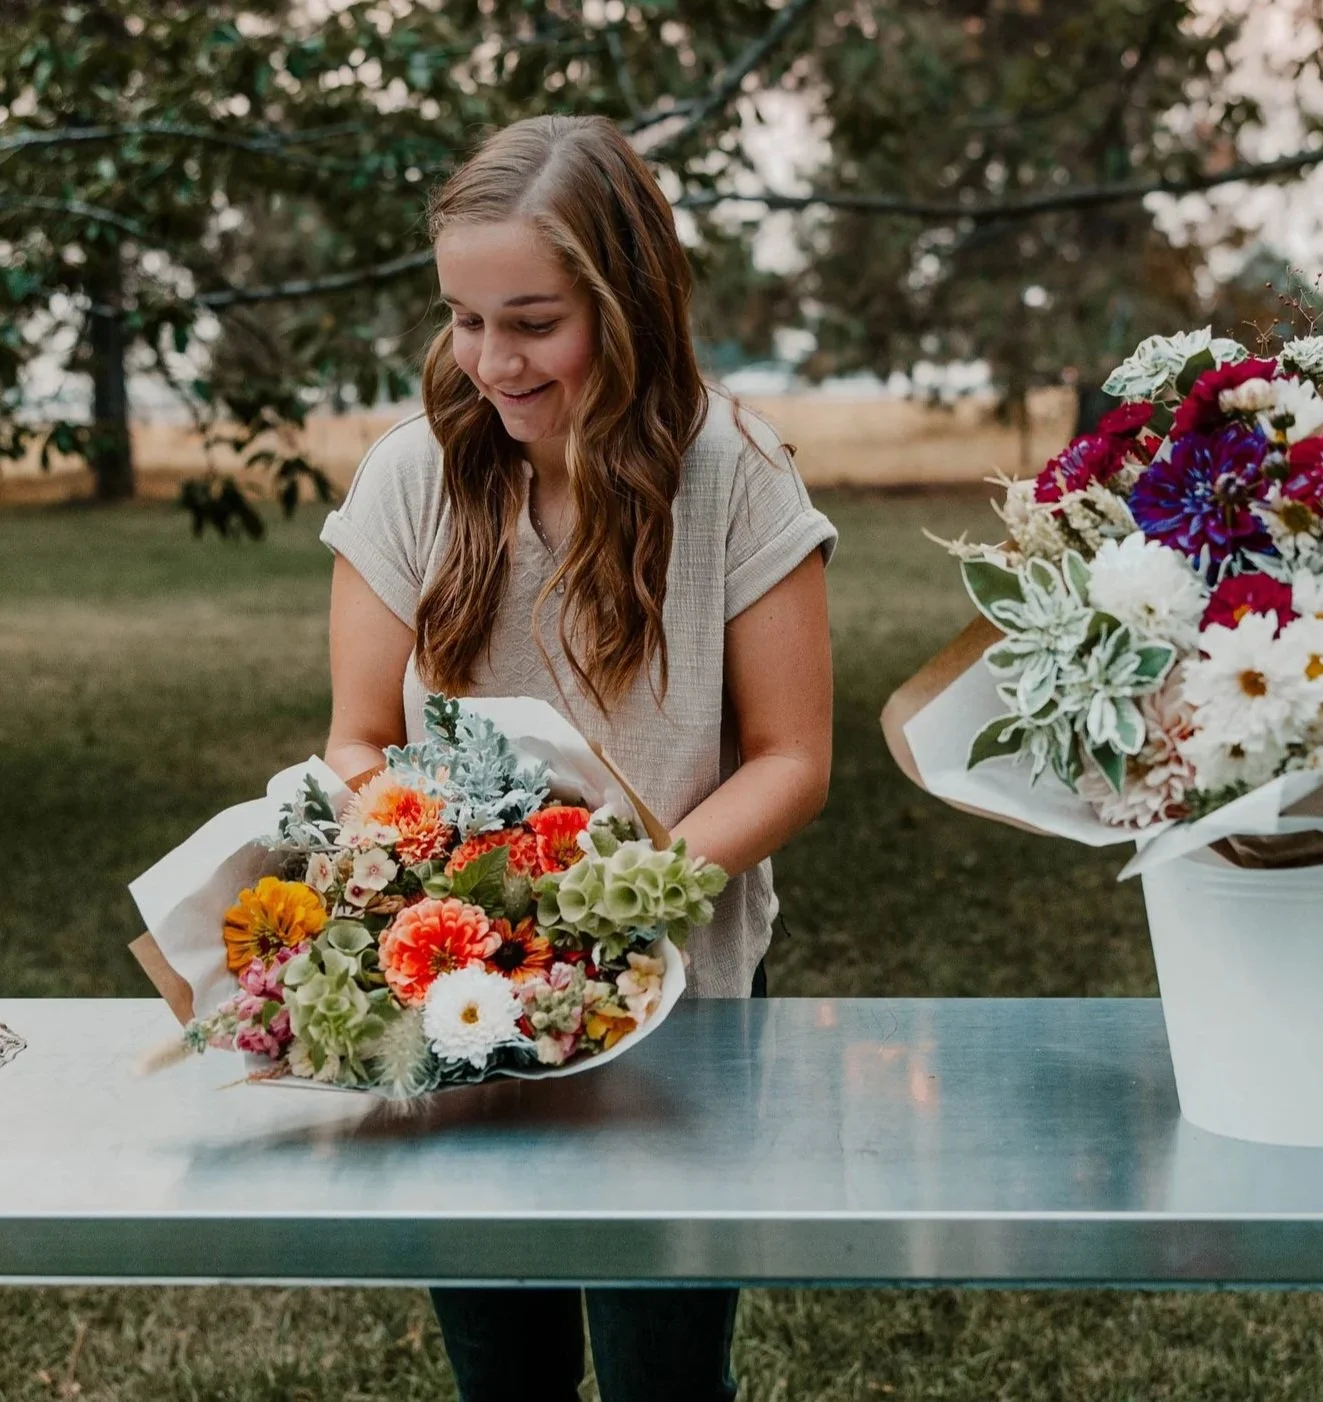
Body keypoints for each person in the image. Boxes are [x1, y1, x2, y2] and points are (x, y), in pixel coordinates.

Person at [318, 114, 836, 1402]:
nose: (490, 360)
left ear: (630, 300)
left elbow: (790, 759)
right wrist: (425, 876)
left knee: (666, 1373)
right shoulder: (412, 477)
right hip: (453, 1004)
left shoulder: (737, 477)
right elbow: (361, 736)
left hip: (683, 1004)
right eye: (463, 317)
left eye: (533, 320)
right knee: (507, 1374)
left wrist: (609, 904)